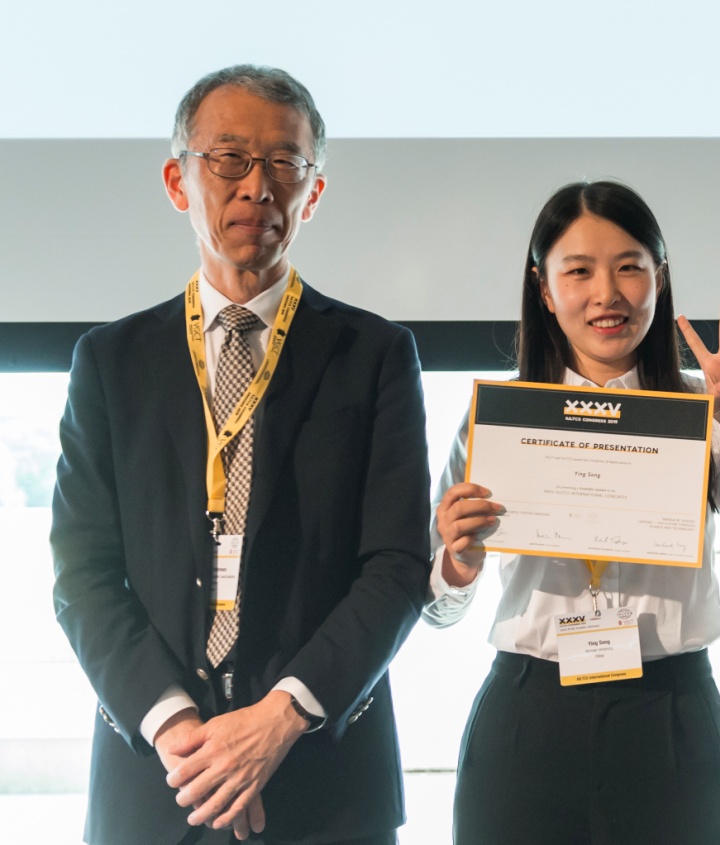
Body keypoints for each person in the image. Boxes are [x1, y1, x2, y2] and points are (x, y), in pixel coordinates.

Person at [50, 65, 429, 845]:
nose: (257, 186)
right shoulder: (111, 360)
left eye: (284, 162)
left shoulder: (376, 355)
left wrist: (279, 718)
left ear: (312, 193)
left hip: (325, 779)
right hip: (160, 782)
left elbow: (395, 566)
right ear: (178, 180)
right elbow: (82, 572)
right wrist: (179, 732)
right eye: (229, 158)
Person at [424, 180, 720, 844]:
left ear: (659, 279)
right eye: (579, 271)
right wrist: (456, 568)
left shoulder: (705, 412)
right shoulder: (497, 419)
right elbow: (435, 609)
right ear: (543, 289)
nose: (606, 294)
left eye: (629, 268)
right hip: (528, 715)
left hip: (668, 717)